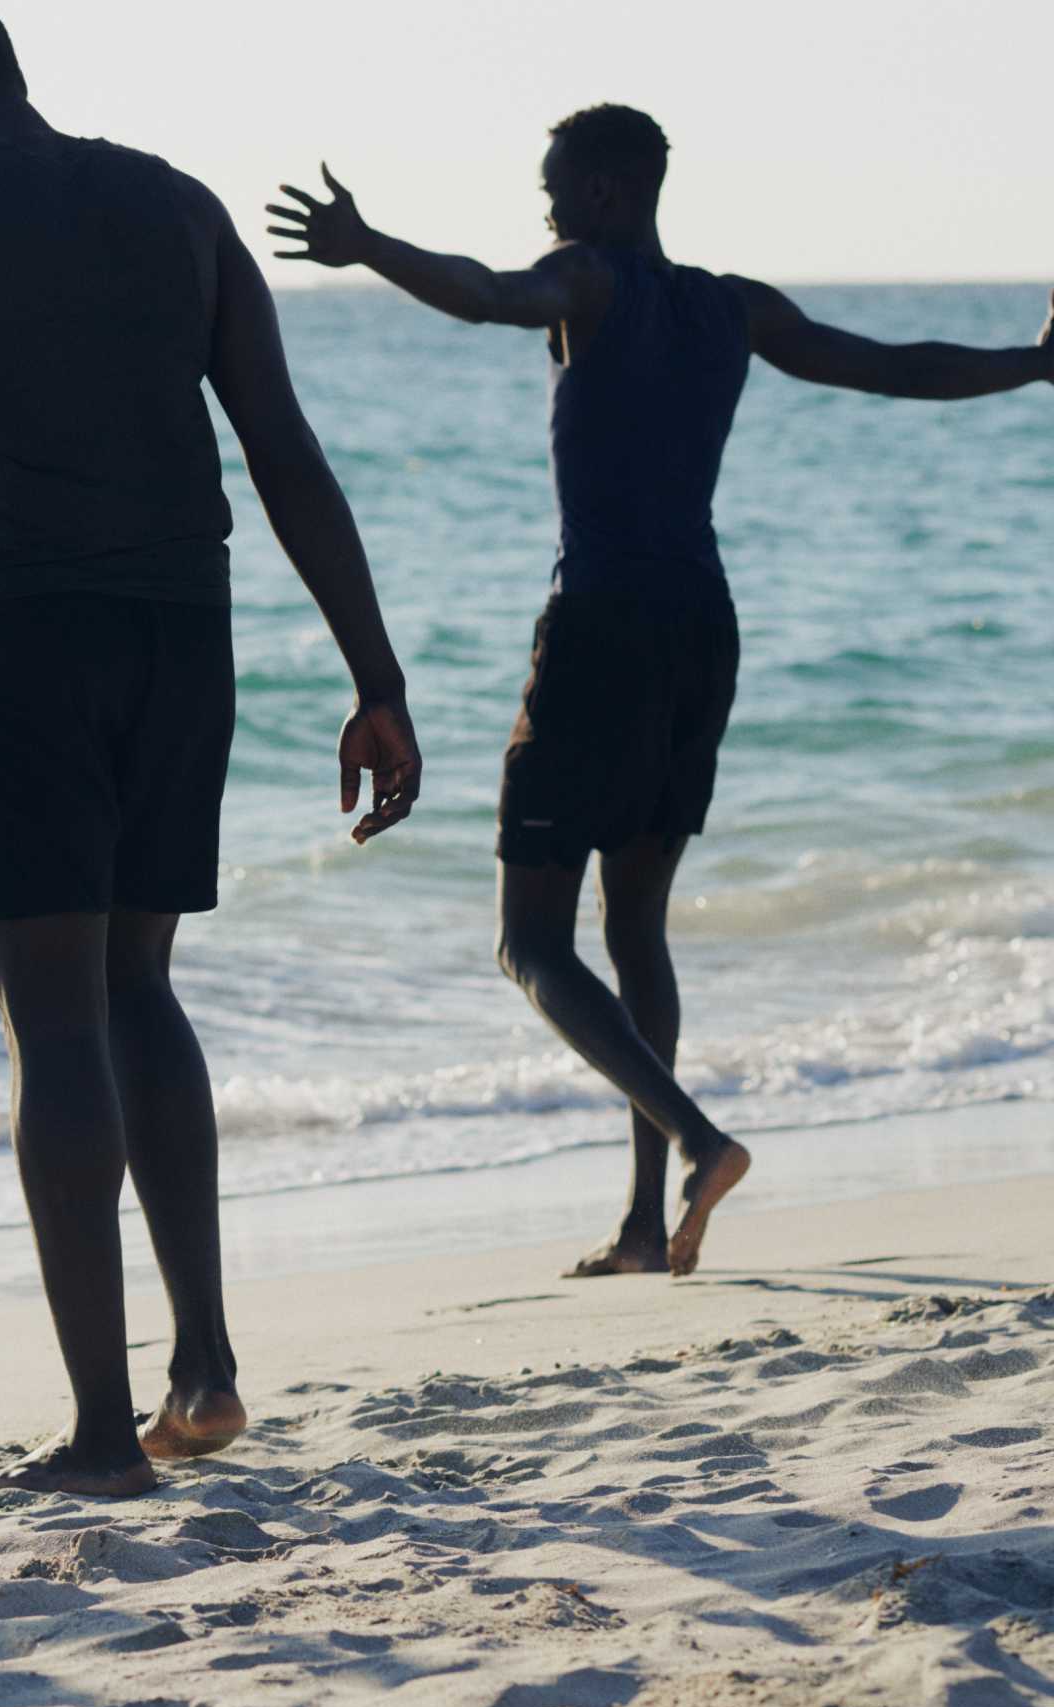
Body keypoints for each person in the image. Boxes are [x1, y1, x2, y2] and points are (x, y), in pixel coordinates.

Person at [0, 0, 422, 1498]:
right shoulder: (182, 207)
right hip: (178, 637)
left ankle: (95, 1434)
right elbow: (285, 453)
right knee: (139, 989)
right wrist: (376, 675)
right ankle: (202, 1371)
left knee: (56, 1023)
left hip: (20, 637)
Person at [269, 108, 1054, 1280]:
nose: (541, 212)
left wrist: (367, 242)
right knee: (632, 925)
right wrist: (1039, 361)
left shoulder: (585, 283)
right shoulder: (732, 306)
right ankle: (645, 1226)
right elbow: (895, 368)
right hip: (702, 629)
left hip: (601, 628)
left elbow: (487, 293)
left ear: (598, 191)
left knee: (528, 941)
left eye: (550, 190)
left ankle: (695, 1142)